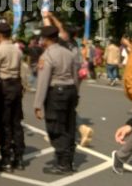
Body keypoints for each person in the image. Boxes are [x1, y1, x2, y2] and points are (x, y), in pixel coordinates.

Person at [34, 25, 79, 175]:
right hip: (71, 90)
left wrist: (38, 104)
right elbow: (75, 76)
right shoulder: (69, 53)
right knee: (68, 126)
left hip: (56, 93)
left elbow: (43, 81)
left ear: (46, 39)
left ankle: (63, 164)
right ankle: (69, 160)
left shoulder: (47, 56)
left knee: (56, 127)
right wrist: (76, 94)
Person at [0, 23, 25, 172]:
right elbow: (22, 70)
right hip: (16, 85)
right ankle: (19, 157)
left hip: (3, 87)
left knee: (3, 123)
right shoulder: (17, 49)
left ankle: (6, 159)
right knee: (16, 122)